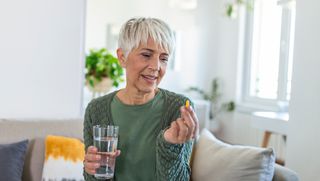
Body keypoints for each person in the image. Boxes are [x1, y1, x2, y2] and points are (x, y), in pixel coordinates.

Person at [83, 17, 199, 181]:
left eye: (163, 58)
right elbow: (95, 176)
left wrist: (170, 145)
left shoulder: (179, 108)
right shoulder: (96, 110)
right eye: (146, 55)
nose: (156, 67)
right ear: (122, 57)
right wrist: (91, 170)